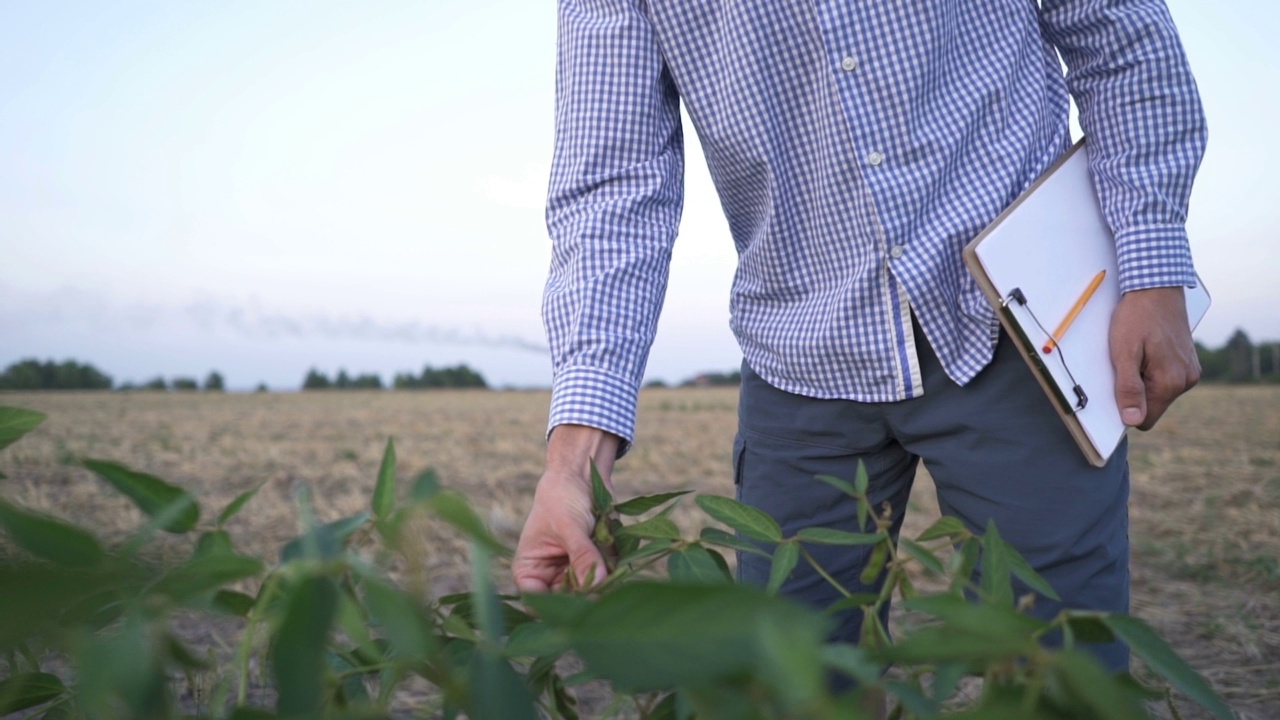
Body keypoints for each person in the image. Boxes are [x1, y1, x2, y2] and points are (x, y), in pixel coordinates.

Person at [513, 0, 1205, 674]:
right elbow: (612, 183)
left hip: (1014, 324)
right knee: (792, 685)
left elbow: (1116, 29)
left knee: (1059, 675)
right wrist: (572, 466)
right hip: (799, 351)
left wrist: (1151, 260)